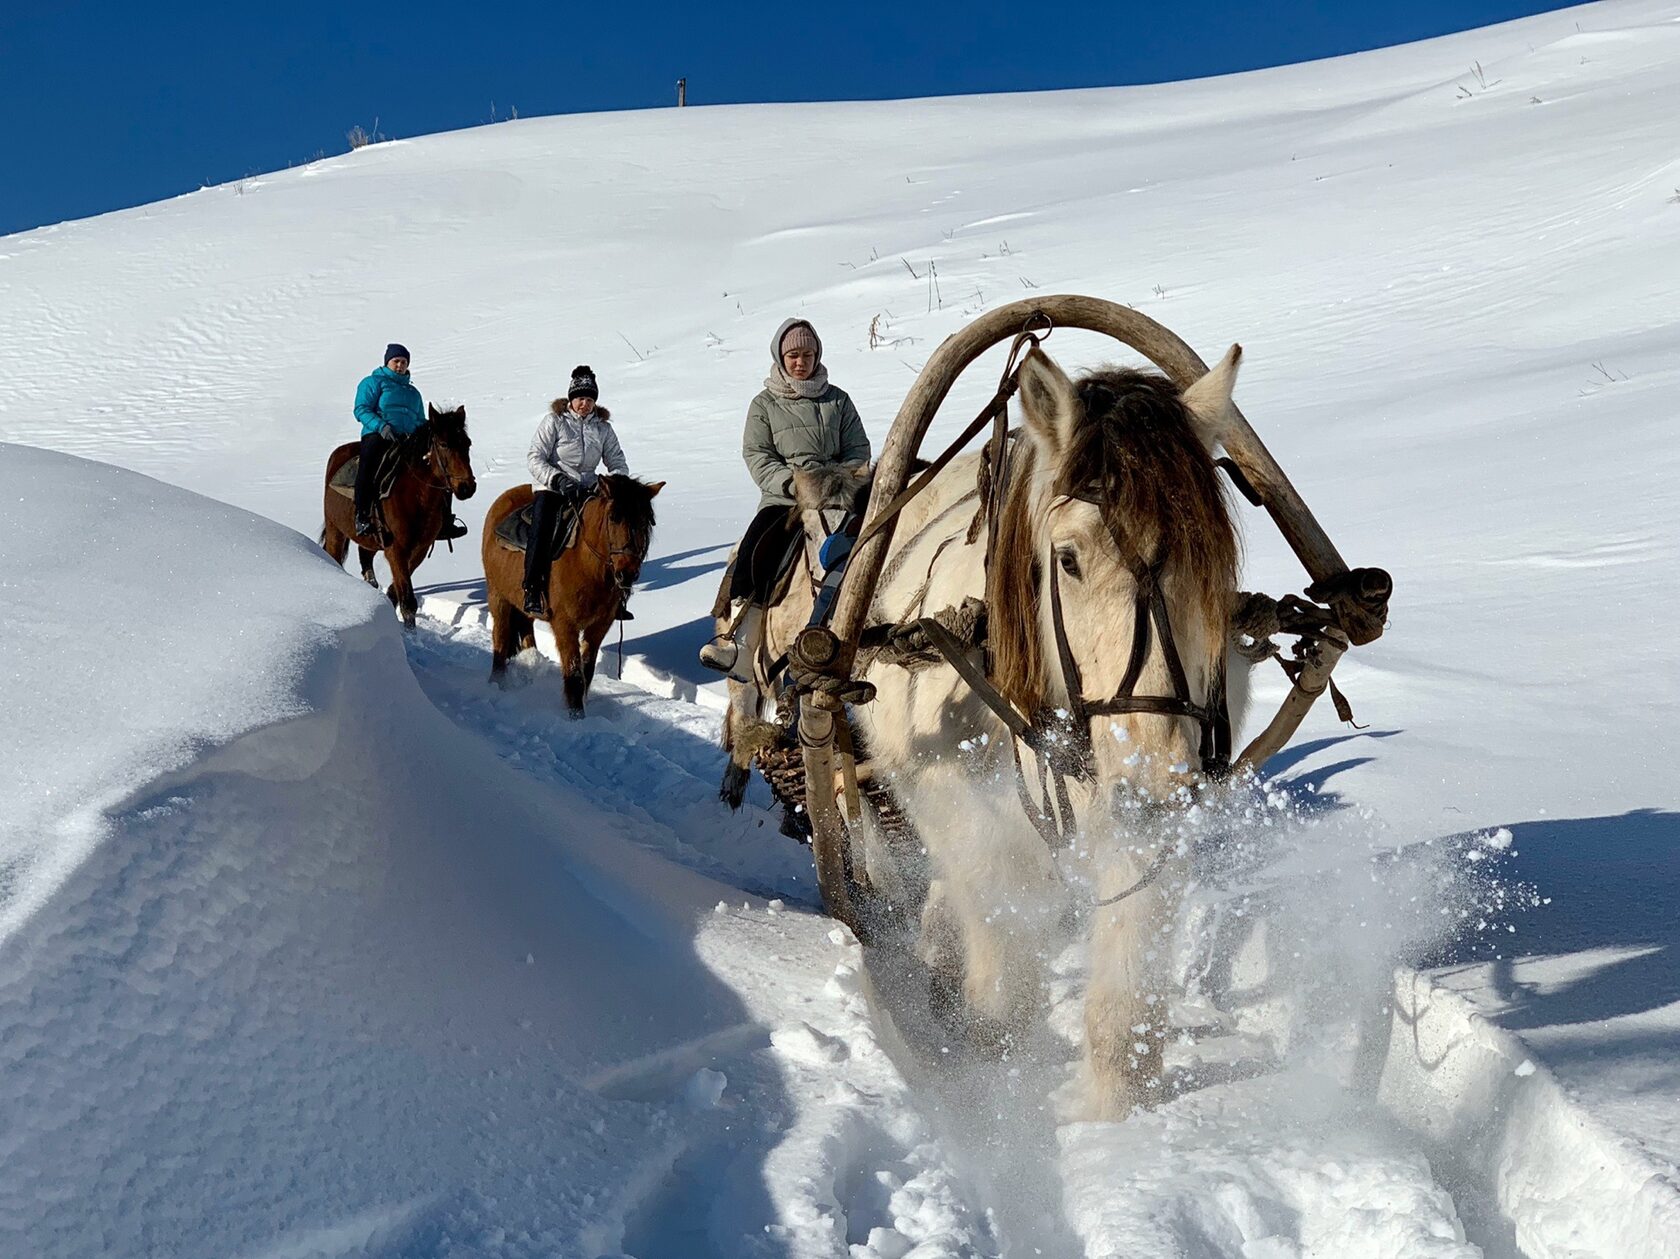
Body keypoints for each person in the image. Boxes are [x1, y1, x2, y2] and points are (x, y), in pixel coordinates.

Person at [699, 318, 869, 678]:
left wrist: (841, 480)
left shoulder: (837, 399)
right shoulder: (764, 404)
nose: (800, 361)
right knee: (759, 547)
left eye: (807, 354)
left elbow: (858, 447)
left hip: (837, 495)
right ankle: (740, 644)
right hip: (786, 497)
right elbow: (757, 454)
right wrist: (792, 485)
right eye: (793, 354)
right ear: (780, 356)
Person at [524, 365, 632, 617]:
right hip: (553, 487)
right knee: (541, 529)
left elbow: (617, 462)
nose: (585, 404)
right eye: (580, 398)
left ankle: (617, 596)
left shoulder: (603, 428)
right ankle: (532, 588)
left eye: (590, 399)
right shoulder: (554, 421)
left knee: (615, 531)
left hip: (589, 488)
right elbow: (535, 457)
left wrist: (611, 483)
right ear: (571, 399)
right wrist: (557, 479)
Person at [351, 344, 468, 541]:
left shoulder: (413, 393)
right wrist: (381, 426)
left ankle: (444, 521)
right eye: (396, 361)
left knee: (439, 470)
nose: (400, 365)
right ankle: (362, 516)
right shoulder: (372, 382)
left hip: (408, 441)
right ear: (387, 362)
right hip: (378, 434)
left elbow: (419, 420)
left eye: (403, 362)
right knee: (369, 466)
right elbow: (361, 408)